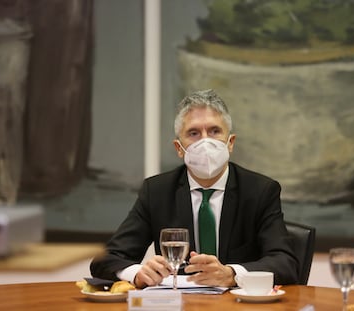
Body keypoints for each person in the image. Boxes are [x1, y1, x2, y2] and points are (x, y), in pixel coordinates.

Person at [90, 89, 299, 288]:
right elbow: (106, 259)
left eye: (215, 131)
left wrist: (232, 274)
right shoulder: (157, 192)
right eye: (193, 133)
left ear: (231, 142)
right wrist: (137, 273)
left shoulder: (260, 191)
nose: (205, 141)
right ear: (179, 148)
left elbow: (285, 263)